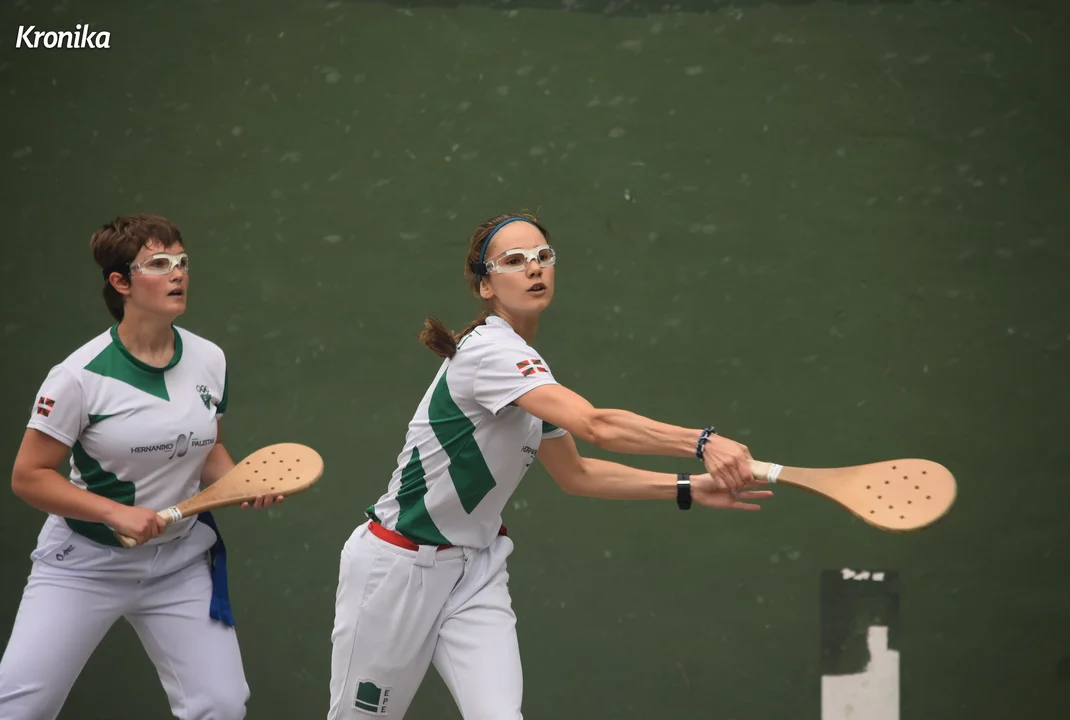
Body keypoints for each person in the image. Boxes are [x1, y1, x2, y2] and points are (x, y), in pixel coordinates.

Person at [326, 211, 772, 719]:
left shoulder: (525, 368)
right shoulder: (492, 353)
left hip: (475, 572)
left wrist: (687, 487)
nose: (534, 268)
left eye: (542, 257)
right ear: (485, 285)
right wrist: (702, 441)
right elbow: (596, 425)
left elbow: (576, 474)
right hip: (399, 566)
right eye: (514, 260)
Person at [0, 214, 283, 720]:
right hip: (85, 563)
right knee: (21, 706)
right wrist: (115, 513)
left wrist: (240, 483)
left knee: (221, 706)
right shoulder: (78, 376)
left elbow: (206, 450)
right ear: (121, 282)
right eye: (159, 264)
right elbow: (29, 476)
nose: (178, 274)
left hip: (178, 563)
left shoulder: (209, 359)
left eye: (182, 262)